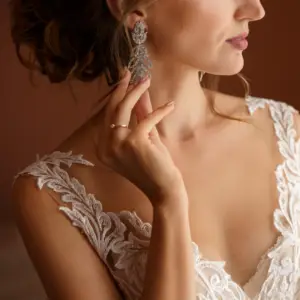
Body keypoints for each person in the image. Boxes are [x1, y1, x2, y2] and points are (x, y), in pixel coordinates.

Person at [9, 0, 300, 299]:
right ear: (130, 8)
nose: (254, 9)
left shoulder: (288, 132)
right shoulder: (49, 195)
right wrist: (168, 202)